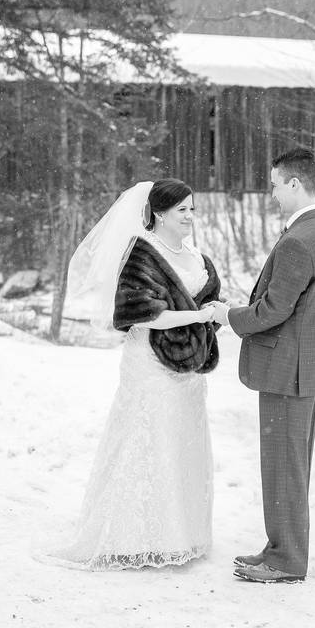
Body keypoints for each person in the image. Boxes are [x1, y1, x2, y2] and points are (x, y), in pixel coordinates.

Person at [44, 178, 222, 570]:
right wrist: (199, 315)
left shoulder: (192, 254)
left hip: (188, 364)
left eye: (193, 209)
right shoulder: (141, 253)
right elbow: (145, 313)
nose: (191, 216)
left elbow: (205, 296)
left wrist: (216, 312)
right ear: (159, 212)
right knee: (148, 437)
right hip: (151, 363)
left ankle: (180, 532)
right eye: (182, 210)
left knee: (181, 439)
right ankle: (132, 534)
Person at [208, 148, 315, 583]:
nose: (271, 192)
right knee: (289, 465)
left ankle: (286, 561)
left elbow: (272, 311)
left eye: (274, 184)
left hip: (288, 370)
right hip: (305, 365)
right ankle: (280, 547)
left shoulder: (299, 241)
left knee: (284, 466)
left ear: (295, 185)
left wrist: (228, 315)